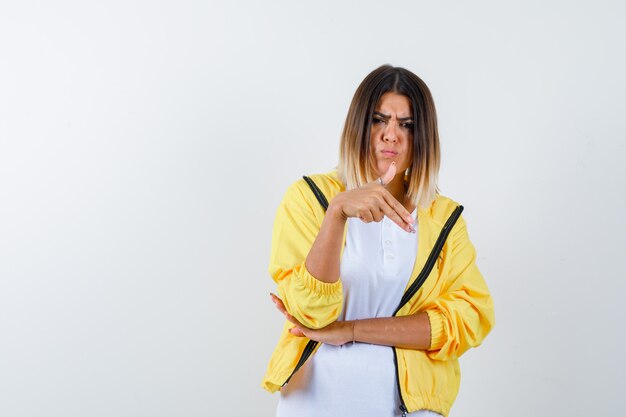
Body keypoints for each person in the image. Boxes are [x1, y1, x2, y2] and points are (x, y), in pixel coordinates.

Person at [261, 65, 495, 417]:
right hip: (316, 404)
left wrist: (352, 329)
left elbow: (467, 320)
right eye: (378, 120)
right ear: (358, 127)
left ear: (423, 138)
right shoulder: (310, 199)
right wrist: (337, 213)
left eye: (407, 124)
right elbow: (309, 312)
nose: (391, 135)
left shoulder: (444, 219)